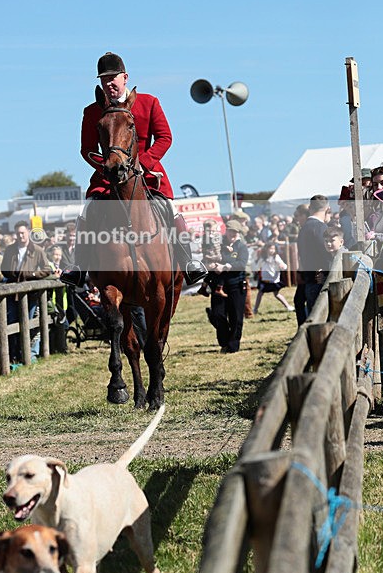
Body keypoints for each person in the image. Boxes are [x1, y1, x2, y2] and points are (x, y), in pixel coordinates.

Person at [60, 52, 206, 287]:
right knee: (86, 211)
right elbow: (86, 149)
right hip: (108, 175)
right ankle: (78, 268)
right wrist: (106, 167)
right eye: (103, 79)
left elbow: (165, 138)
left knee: (170, 208)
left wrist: (143, 164)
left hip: (147, 174)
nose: (108, 84)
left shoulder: (149, 102)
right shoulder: (91, 111)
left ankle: (188, 262)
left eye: (112, 78)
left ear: (125, 77)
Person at [1, 220, 51, 366]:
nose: (20, 236)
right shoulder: (10, 250)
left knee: (29, 324)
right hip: (12, 292)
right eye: (18, 233)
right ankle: (14, 354)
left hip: (30, 294)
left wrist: (32, 274)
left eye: (22, 233)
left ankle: (29, 354)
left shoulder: (37, 250)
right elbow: (3, 269)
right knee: (12, 324)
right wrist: (14, 273)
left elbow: (47, 269)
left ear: (28, 232)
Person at [206, 219, 249, 353]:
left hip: (236, 284)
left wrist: (225, 266)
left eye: (235, 232)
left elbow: (241, 264)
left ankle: (232, 345)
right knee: (218, 314)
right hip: (218, 284)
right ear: (226, 230)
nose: (233, 234)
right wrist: (212, 266)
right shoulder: (218, 245)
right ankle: (224, 341)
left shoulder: (242, 246)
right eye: (230, 231)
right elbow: (210, 258)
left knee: (236, 317)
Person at [296, 195, 331, 317]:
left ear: (310, 208)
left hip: (309, 280)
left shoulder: (304, 228)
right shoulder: (320, 228)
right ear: (327, 209)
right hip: (319, 281)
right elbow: (326, 255)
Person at [253, 242, 294, 314]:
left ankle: (288, 306)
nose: (272, 250)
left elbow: (284, 266)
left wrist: (282, 266)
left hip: (274, 280)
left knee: (276, 294)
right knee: (260, 293)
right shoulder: (263, 258)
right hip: (265, 280)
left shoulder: (276, 257)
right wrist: (255, 271)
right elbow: (257, 266)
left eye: (273, 249)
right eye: (270, 248)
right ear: (266, 249)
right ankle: (255, 309)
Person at [196, 220, 226, 298]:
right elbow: (211, 251)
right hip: (212, 260)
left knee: (210, 275)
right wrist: (218, 258)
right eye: (209, 231)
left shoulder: (213, 237)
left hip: (211, 259)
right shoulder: (208, 239)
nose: (212, 233)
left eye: (214, 230)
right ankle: (219, 288)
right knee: (221, 273)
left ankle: (203, 287)